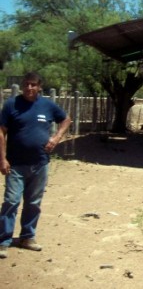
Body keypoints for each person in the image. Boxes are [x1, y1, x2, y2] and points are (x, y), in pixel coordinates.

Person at [0, 72, 71, 259]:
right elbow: (1, 132)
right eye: (26, 84)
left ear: (39, 86)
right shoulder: (11, 105)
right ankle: (3, 240)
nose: (29, 88)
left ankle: (27, 237)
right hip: (15, 164)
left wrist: (56, 138)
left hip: (40, 163)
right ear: (22, 85)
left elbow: (66, 119)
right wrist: (2, 159)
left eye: (33, 85)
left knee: (33, 203)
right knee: (11, 201)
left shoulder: (47, 105)